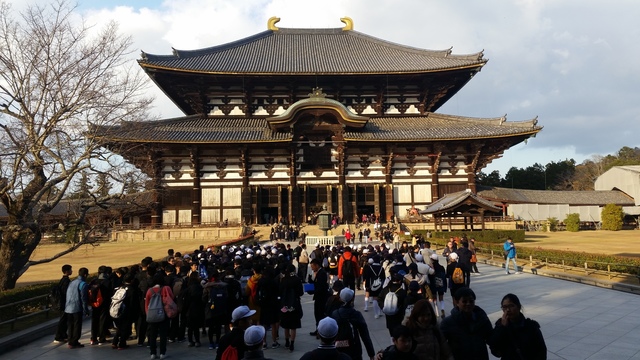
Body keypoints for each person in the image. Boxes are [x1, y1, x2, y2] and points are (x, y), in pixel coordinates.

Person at [439, 287, 492, 360]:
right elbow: (441, 345)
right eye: (464, 301)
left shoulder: (482, 318)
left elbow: (492, 339)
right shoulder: (447, 323)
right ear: (456, 302)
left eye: (471, 301)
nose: (468, 304)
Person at [490, 294, 547, 360]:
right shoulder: (500, 325)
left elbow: (541, 350)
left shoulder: (531, 326)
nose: (508, 310)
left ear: (519, 307)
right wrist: (502, 328)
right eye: (504, 307)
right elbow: (494, 349)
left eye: (511, 306)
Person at [331, 288, 376, 360]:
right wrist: (371, 354)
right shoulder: (356, 314)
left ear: (340, 299)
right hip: (354, 349)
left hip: (338, 349)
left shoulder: (335, 314)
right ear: (352, 299)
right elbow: (365, 336)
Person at [145, 273, 173, 359]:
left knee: (153, 334)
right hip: (163, 313)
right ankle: (162, 353)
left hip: (152, 314)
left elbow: (146, 304)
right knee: (163, 335)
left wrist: (148, 314)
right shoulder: (166, 288)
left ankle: (153, 353)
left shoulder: (150, 290)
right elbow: (171, 298)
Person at [279, 264, 303, 352]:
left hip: (284, 304)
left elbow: (280, 291)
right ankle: (292, 343)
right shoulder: (297, 280)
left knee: (286, 325)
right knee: (293, 326)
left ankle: (286, 342)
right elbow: (301, 292)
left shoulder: (283, 280)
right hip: (295, 304)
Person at [65, 267, 90, 349]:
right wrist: (86, 310)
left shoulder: (72, 282)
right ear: (85, 275)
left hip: (68, 307)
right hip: (77, 308)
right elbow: (84, 298)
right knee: (77, 326)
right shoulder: (83, 284)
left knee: (70, 325)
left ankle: (70, 340)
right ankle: (74, 341)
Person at [309, 258, 330, 337]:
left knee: (320, 314)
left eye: (313, 266)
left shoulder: (322, 273)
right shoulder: (318, 272)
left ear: (317, 265)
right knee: (317, 314)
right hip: (318, 297)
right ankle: (318, 329)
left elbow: (320, 286)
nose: (312, 268)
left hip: (322, 297)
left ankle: (321, 331)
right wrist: (311, 281)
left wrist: (313, 290)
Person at [183, 271, 204, 347]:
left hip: (189, 309)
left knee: (190, 327)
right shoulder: (199, 287)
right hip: (197, 308)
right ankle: (197, 341)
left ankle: (190, 340)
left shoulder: (188, 287)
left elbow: (186, 300)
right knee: (196, 327)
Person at [53, 264, 72, 344]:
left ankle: (63, 335)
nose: (72, 271)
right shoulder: (66, 281)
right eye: (70, 270)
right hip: (64, 304)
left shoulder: (63, 280)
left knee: (64, 320)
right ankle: (58, 336)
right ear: (67, 271)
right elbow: (65, 293)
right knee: (63, 320)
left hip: (63, 303)